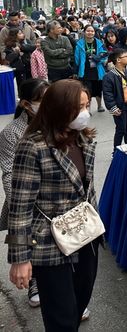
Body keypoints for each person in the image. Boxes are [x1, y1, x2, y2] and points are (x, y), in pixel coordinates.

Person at [7, 79, 99, 330]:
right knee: (60, 316)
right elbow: (20, 205)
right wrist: (20, 259)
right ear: (58, 108)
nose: (85, 113)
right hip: (49, 244)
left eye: (86, 105)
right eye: (78, 107)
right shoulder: (33, 146)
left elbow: (88, 190)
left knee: (79, 304)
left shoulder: (83, 139)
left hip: (85, 238)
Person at [0, 79, 49, 308]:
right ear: (27, 104)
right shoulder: (11, 133)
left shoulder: (58, 123)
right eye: (42, 100)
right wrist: (20, 204)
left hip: (56, 197)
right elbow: (8, 173)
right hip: (28, 199)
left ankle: (69, 294)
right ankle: (35, 282)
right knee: (32, 243)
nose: (47, 104)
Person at [102, 49, 127, 148]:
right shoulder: (109, 76)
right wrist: (112, 107)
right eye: (126, 56)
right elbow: (107, 94)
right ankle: (116, 151)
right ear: (118, 60)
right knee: (121, 129)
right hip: (119, 106)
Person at [75, 24, 107, 113]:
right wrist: (77, 70)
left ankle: (99, 106)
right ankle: (87, 109)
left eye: (92, 31)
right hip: (85, 70)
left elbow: (104, 56)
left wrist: (97, 59)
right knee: (87, 90)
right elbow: (77, 58)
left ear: (94, 32)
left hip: (97, 70)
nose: (90, 33)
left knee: (98, 89)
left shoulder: (99, 43)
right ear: (84, 32)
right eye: (88, 31)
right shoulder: (79, 44)